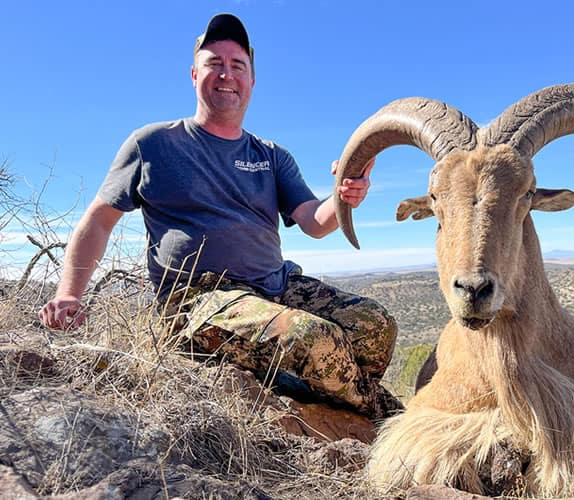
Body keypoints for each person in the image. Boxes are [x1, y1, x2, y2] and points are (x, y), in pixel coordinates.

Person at [38, 13, 401, 419]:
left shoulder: (271, 156)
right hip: (198, 300)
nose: (227, 74)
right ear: (194, 75)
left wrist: (343, 195)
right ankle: (385, 413)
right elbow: (98, 221)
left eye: (238, 65)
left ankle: (321, 391)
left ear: (252, 81)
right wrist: (69, 294)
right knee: (312, 338)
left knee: (376, 324)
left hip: (276, 288)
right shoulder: (152, 144)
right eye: (215, 63)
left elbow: (315, 222)